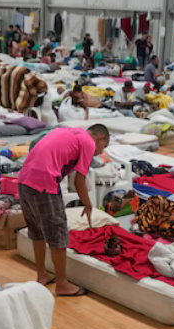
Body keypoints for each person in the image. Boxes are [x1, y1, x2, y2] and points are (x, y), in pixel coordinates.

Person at [19, 125, 108, 298]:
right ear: (100, 138)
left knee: (37, 231)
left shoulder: (67, 131)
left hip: (24, 180)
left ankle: (42, 275)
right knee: (58, 235)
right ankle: (62, 284)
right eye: (102, 148)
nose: (98, 153)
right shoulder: (88, 142)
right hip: (45, 183)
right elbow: (79, 181)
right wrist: (88, 204)